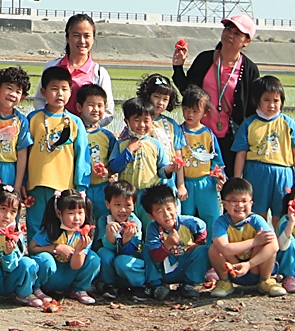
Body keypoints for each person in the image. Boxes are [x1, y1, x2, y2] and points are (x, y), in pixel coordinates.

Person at [172, 13, 264, 165]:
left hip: (231, 140)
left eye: (237, 33)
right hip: (199, 134)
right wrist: (178, 67)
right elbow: (189, 94)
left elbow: (252, 109)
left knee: (226, 182)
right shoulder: (205, 59)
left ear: (247, 41)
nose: (230, 35)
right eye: (228, 29)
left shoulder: (249, 69)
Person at [231, 75, 295, 224]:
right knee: (257, 216)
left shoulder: (288, 123)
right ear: (256, 101)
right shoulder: (249, 124)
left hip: (283, 174)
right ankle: (260, 245)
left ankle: (280, 246)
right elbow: (241, 154)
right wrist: (237, 179)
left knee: (281, 216)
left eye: (276, 100)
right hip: (256, 173)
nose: (271, 105)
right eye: (266, 100)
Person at [25, 66, 88, 222]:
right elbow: (23, 153)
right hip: (36, 185)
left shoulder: (75, 122)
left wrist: (81, 187)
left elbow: (82, 156)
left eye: (64, 89)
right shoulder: (33, 119)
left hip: (63, 186)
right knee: (36, 225)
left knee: (60, 227)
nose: (60, 93)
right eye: (54, 89)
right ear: (43, 92)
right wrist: (22, 181)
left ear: (70, 92)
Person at [207, 176, 285, 297]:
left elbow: (275, 246)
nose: (239, 205)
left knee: (267, 243)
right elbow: (225, 249)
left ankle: (265, 281)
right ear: (224, 204)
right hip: (233, 269)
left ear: (251, 203)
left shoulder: (256, 220)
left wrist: (249, 264)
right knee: (214, 248)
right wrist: (254, 241)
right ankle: (225, 282)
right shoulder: (221, 222)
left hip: (256, 268)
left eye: (244, 201)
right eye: (234, 201)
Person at [141, 182, 210, 298]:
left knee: (203, 250)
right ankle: (157, 285)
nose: (167, 214)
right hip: (164, 268)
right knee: (147, 249)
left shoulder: (188, 222)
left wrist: (197, 244)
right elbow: (156, 257)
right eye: (160, 211)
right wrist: (168, 243)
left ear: (176, 206)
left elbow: (202, 229)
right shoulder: (153, 229)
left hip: (184, 263)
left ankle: (189, 284)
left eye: (169, 208)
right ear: (151, 216)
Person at [111, 99, 173, 227]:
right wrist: (129, 150)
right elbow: (114, 167)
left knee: (150, 225)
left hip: (149, 194)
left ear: (152, 121)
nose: (142, 125)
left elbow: (162, 170)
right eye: (137, 120)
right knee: (131, 227)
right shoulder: (121, 144)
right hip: (127, 197)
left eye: (146, 121)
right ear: (126, 122)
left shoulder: (155, 144)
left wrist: (170, 169)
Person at [32, 188, 100, 304]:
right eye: (71, 213)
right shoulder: (51, 230)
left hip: (70, 273)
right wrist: (54, 248)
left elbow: (75, 266)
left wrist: (79, 251)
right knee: (44, 258)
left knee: (94, 259)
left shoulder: (85, 234)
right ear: (59, 213)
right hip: (51, 275)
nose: (77, 218)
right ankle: (36, 288)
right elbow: (32, 248)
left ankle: (78, 289)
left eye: (80, 213)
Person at [175, 86, 225, 226]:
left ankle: (212, 245)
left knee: (212, 217)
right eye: (186, 109)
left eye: (195, 111)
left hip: (205, 183)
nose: (189, 114)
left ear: (205, 112)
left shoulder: (208, 134)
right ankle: (186, 247)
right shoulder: (178, 132)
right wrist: (180, 185)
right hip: (186, 183)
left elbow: (217, 160)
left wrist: (220, 177)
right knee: (185, 219)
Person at [51, 13, 116, 121]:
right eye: (76, 35)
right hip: (55, 132)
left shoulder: (99, 73)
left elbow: (108, 111)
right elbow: (40, 100)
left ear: (93, 39)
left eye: (87, 36)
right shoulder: (53, 67)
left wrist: (87, 127)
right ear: (67, 37)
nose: (82, 41)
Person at [0, 67, 33, 196]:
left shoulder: (21, 121)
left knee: (8, 209)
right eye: (9, 88)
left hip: (10, 170)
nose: (12, 94)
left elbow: (22, 155)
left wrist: (17, 186)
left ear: (22, 98)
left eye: (18, 91)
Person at [96, 179, 147, 299]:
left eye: (127, 205)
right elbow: (106, 246)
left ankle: (139, 286)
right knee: (103, 253)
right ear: (108, 204)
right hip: (113, 269)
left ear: (134, 205)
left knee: (122, 261)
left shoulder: (135, 223)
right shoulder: (104, 220)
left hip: (129, 264)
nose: (122, 210)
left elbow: (130, 251)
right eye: (117, 205)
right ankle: (109, 285)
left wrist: (127, 239)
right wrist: (109, 234)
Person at [76, 83, 118, 218]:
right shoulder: (74, 132)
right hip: (79, 187)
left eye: (100, 106)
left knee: (103, 221)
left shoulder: (108, 136)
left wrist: (108, 171)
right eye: (91, 105)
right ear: (79, 107)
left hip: (102, 187)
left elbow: (114, 162)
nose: (96, 109)